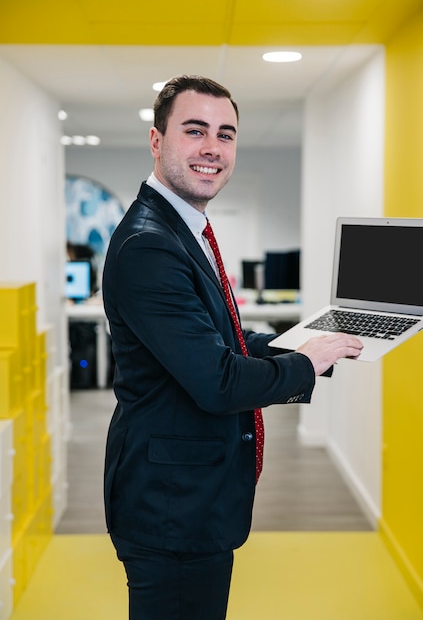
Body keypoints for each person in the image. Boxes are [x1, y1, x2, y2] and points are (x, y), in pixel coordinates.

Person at [102, 75, 363, 620]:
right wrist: (304, 365)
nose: (212, 148)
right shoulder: (150, 244)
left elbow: (221, 341)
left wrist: (306, 342)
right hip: (172, 508)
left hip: (188, 498)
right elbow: (218, 381)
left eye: (226, 134)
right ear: (157, 140)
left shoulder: (181, 229)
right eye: (195, 130)